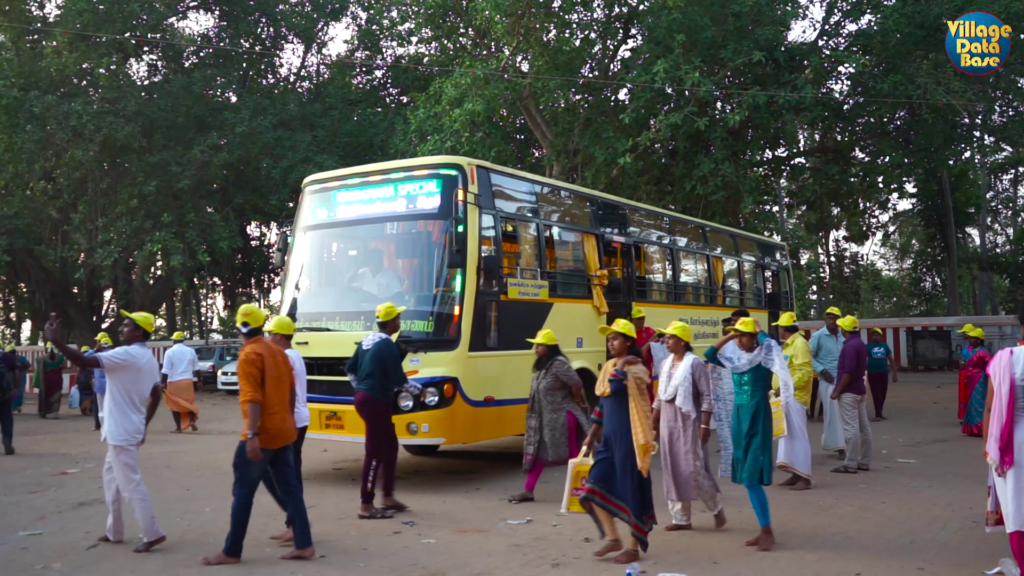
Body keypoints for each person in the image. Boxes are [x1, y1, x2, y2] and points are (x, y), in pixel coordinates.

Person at [45, 310, 167, 553]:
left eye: (126, 326)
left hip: (121, 430)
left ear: (138, 331)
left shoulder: (126, 354)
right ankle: (115, 531)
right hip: (125, 428)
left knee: (130, 483)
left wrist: (56, 340)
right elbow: (156, 394)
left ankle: (153, 533)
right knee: (111, 480)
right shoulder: (149, 359)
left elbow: (83, 362)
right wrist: (144, 424)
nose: (121, 329)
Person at [201, 304, 314, 565]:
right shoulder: (278, 352)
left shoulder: (250, 354)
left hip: (262, 434)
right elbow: (291, 392)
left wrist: (252, 434)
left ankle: (231, 551)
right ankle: (304, 544)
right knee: (291, 489)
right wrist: (287, 422)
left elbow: (253, 398)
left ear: (240, 327)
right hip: (284, 431)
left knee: (243, 491)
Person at [705, 317, 791, 552]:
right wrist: (731, 335)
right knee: (746, 478)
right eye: (737, 336)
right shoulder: (736, 360)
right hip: (739, 418)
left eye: (743, 336)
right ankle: (764, 529)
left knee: (751, 478)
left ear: (753, 338)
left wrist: (760, 331)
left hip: (757, 417)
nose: (739, 340)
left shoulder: (764, 357)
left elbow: (772, 346)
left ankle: (767, 530)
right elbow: (710, 354)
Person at [579, 318, 656, 565]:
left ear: (629, 341)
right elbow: (602, 403)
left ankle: (633, 548)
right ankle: (613, 537)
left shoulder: (636, 370)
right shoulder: (609, 368)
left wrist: (622, 364)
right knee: (592, 486)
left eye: (615, 338)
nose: (610, 342)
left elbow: (617, 387)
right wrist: (591, 436)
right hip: (609, 439)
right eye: (609, 338)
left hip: (630, 439)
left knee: (632, 490)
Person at [652, 321, 726, 531]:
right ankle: (681, 519)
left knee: (694, 470)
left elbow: (706, 396)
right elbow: (660, 396)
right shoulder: (665, 364)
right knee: (672, 469)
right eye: (666, 338)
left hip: (689, 425)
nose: (666, 341)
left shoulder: (695, 364)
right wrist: (653, 422)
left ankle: (715, 508)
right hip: (669, 425)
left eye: (671, 338)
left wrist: (704, 426)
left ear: (683, 341)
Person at [346, 302, 415, 520]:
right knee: (374, 453)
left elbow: (350, 370)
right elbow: (400, 382)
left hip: (364, 398)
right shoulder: (388, 346)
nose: (400, 322)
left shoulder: (367, 341)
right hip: (375, 400)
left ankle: (387, 496)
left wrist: (362, 389)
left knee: (390, 445)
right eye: (397, 319)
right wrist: (420, 391)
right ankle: (366, 505)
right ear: (392, 322)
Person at [508, 329, 590, 504]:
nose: (536, 348)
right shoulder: (543, 365)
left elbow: (576, 382)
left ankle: (585, 491)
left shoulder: (558, 364)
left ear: (550, 347)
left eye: (540, 345)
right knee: (539, 454)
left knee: (574, 455)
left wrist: (576, 399)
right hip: (546, 420)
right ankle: (528, 491)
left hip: (563, 417)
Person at [262, 315, 311, 543]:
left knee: (283, 475)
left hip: (292, 420)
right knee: (287, 475)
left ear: (279, 336)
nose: (268, 338)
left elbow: (284, 393)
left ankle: (297, 524)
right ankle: (294, 523)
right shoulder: (294, 355)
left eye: (270, 334)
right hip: (298, 419)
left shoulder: (285, 357)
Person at [983, 307, 1024, 570]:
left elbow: (989, 407)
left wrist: (988, 448)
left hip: (1013, 444)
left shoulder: (1005, 359)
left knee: (1017, 508)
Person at [772, 312, 813, 491]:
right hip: (786, 398)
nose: (778, 330)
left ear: (784, 328)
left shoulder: (800, 344)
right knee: (790, 437)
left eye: (779, 327)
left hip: (795, 397)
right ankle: (796, 473)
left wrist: (787, 387)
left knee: (799, 437)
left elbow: (804, 372)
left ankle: (805, 477)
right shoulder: (789, 345)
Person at [830, 316, 871, 474]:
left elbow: (849, 371)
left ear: (844, 330)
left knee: (851, 428)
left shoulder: (849, 347)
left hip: (849, 391)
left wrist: (838, 390)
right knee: (864, 427)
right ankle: (864, 460)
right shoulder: (860, 344)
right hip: (859, 389)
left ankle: (851, 463)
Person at [809, 306, 845, 458]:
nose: (833, 321)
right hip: (827, 379)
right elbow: (807, 356)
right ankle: (839, 447)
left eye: (835, 318)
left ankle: (839, 442)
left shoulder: (843, 337)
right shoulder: (818, 336)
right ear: (825, 320)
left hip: (843, 379)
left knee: (843, 413)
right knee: (832, 414)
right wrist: (822, 370)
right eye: (830, 318)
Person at [709, 315, 737, 478]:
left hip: (747, 398)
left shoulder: (757, 355)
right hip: (730, 396)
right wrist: (730, 336)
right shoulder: (729, 344)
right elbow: (710, 354)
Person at [161, 331, 200, 433]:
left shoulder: (169, 352)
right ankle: (191, 420)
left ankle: (178, 428)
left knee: (174, 405)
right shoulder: (191, 351)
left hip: (174, 382)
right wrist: (200, 381)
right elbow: (196, 368)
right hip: (188, 381)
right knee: (189, 403)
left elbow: (165, 370)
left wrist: (162, 383)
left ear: (173, 340)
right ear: (183, 340)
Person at [961, 328, 991, 437]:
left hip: (979, 379)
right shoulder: (969, 351)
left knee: (979, 402)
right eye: (969, 337)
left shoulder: (983, 352)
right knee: (971, 403)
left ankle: (981, 428)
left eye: (972, 338)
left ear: (979, 340)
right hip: (969, 378)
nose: (969, 339)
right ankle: (972, 428)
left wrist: (988, 380)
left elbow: (990, 367)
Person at [866, 328, 897, 421]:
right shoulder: (867, 346)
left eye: (877, 335)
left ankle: (880, 412)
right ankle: (878, 415)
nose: (875, 337)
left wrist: (894, 373)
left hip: (883, 372)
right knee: (876, 393)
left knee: (883, 393)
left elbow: (891, 359)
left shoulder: (885, 346)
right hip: (872, 372)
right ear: (872, 337)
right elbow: (861, 357)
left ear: (881, 336)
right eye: (874, 335)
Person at [86, 334, 112, 431]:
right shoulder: (114, 354)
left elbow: (84, 357)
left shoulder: (97, 355)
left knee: (101, 408)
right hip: (112, 385)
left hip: (100, 386)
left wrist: (94, 350)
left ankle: (103, 427)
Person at [32, 343, 65, 418]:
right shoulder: (60, 357)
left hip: (46, 378)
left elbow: (39, 369)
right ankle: (55, 413)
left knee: (45, 394)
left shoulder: (41, 358)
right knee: (57, 394)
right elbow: (64, 366)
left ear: (46, 348)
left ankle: (43, 411)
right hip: (57, 378)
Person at [1, 345, 17, 455]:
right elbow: (16, 372)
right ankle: (7, 439)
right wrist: (14, 388)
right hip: (4, 395)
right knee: (6, 419)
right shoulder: (7, 357)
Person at [8, 344, 30, 414]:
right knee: (19, 391)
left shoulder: (7, 359)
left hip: (10, 376)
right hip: (21, 376)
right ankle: (18, 406)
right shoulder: (22, 358)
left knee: (11, 390)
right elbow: (28, 366)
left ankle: (12, 406)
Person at [76, 345, 96, 416]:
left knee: (83, 395)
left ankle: (84, 410)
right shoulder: (91, 359)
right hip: (89, 378)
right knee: (91, 394)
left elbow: (78, 371)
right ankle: (89, 410)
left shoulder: (81, 359)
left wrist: (76, 380)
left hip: (82, 379)